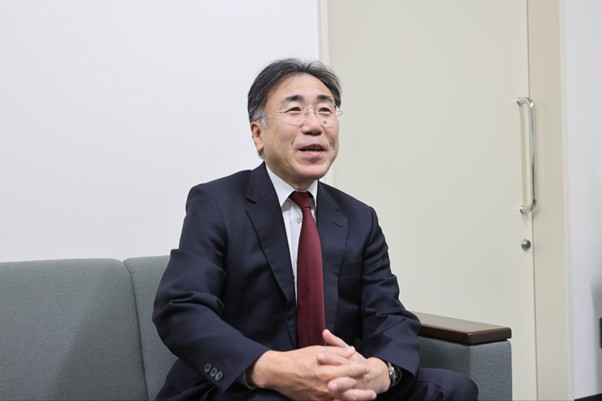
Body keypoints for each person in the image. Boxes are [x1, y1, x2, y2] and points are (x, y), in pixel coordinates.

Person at [153, 58, 478, 401]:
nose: (314, 125)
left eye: (325, 110)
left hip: (335, 383)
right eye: (295, 110)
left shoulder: (359, 218)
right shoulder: (217, 202)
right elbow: (181, 308)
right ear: (258, 134)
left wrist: (381, 370)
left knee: (452, 389)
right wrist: (272, 367)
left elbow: (387, 313)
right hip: (245, 385)